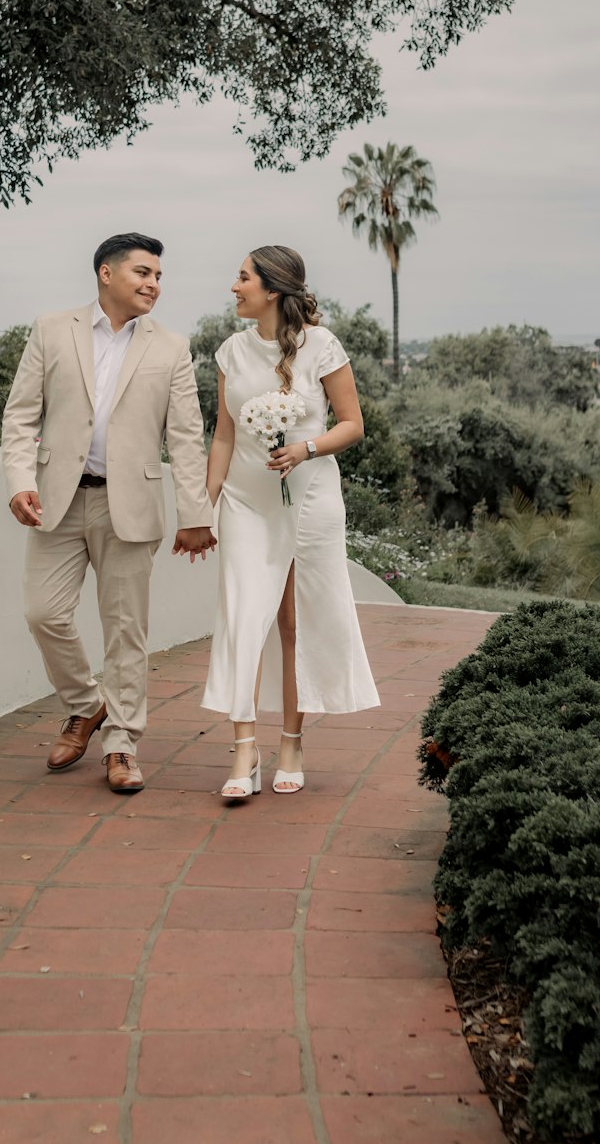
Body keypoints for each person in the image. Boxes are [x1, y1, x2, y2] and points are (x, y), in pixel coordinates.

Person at [2, 233, 216, 794]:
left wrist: (196, 514)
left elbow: (187, 439)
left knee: (126, 632)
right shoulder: (52, 331)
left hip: (132, 503)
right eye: (143, 273)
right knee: (42, 613)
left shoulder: (171, 347)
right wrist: (21, 481)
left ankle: (121, 743)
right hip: (58, 499)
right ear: (106, 273)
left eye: (159, 277)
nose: (153, 284)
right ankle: (86, 703)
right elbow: (21, 415)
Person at [202, 245, 380, 799]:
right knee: (242, 619)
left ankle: (292, 741)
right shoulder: (230, 351)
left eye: (242, 278)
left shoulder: (321, 346)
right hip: (246, 501)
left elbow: (352, 425)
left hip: (310, 499)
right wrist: (203, 509)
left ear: (272, 290)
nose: (233, 287)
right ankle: (243, 753)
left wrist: (305, 450)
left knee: (294, 625)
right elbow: (225, 436)